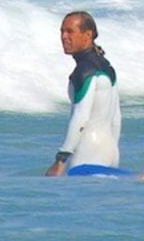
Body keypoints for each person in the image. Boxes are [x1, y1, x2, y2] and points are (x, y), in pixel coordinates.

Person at [47, 9, 123, 176]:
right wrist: (112, 149)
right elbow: (116, 118)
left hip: (87, 151)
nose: (64, 37)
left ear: (87, 35)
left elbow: (81, 116)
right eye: (62, 31)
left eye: (70, 31)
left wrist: (61, 158)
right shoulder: (107, 67)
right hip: (110, 150)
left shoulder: (84, 71)